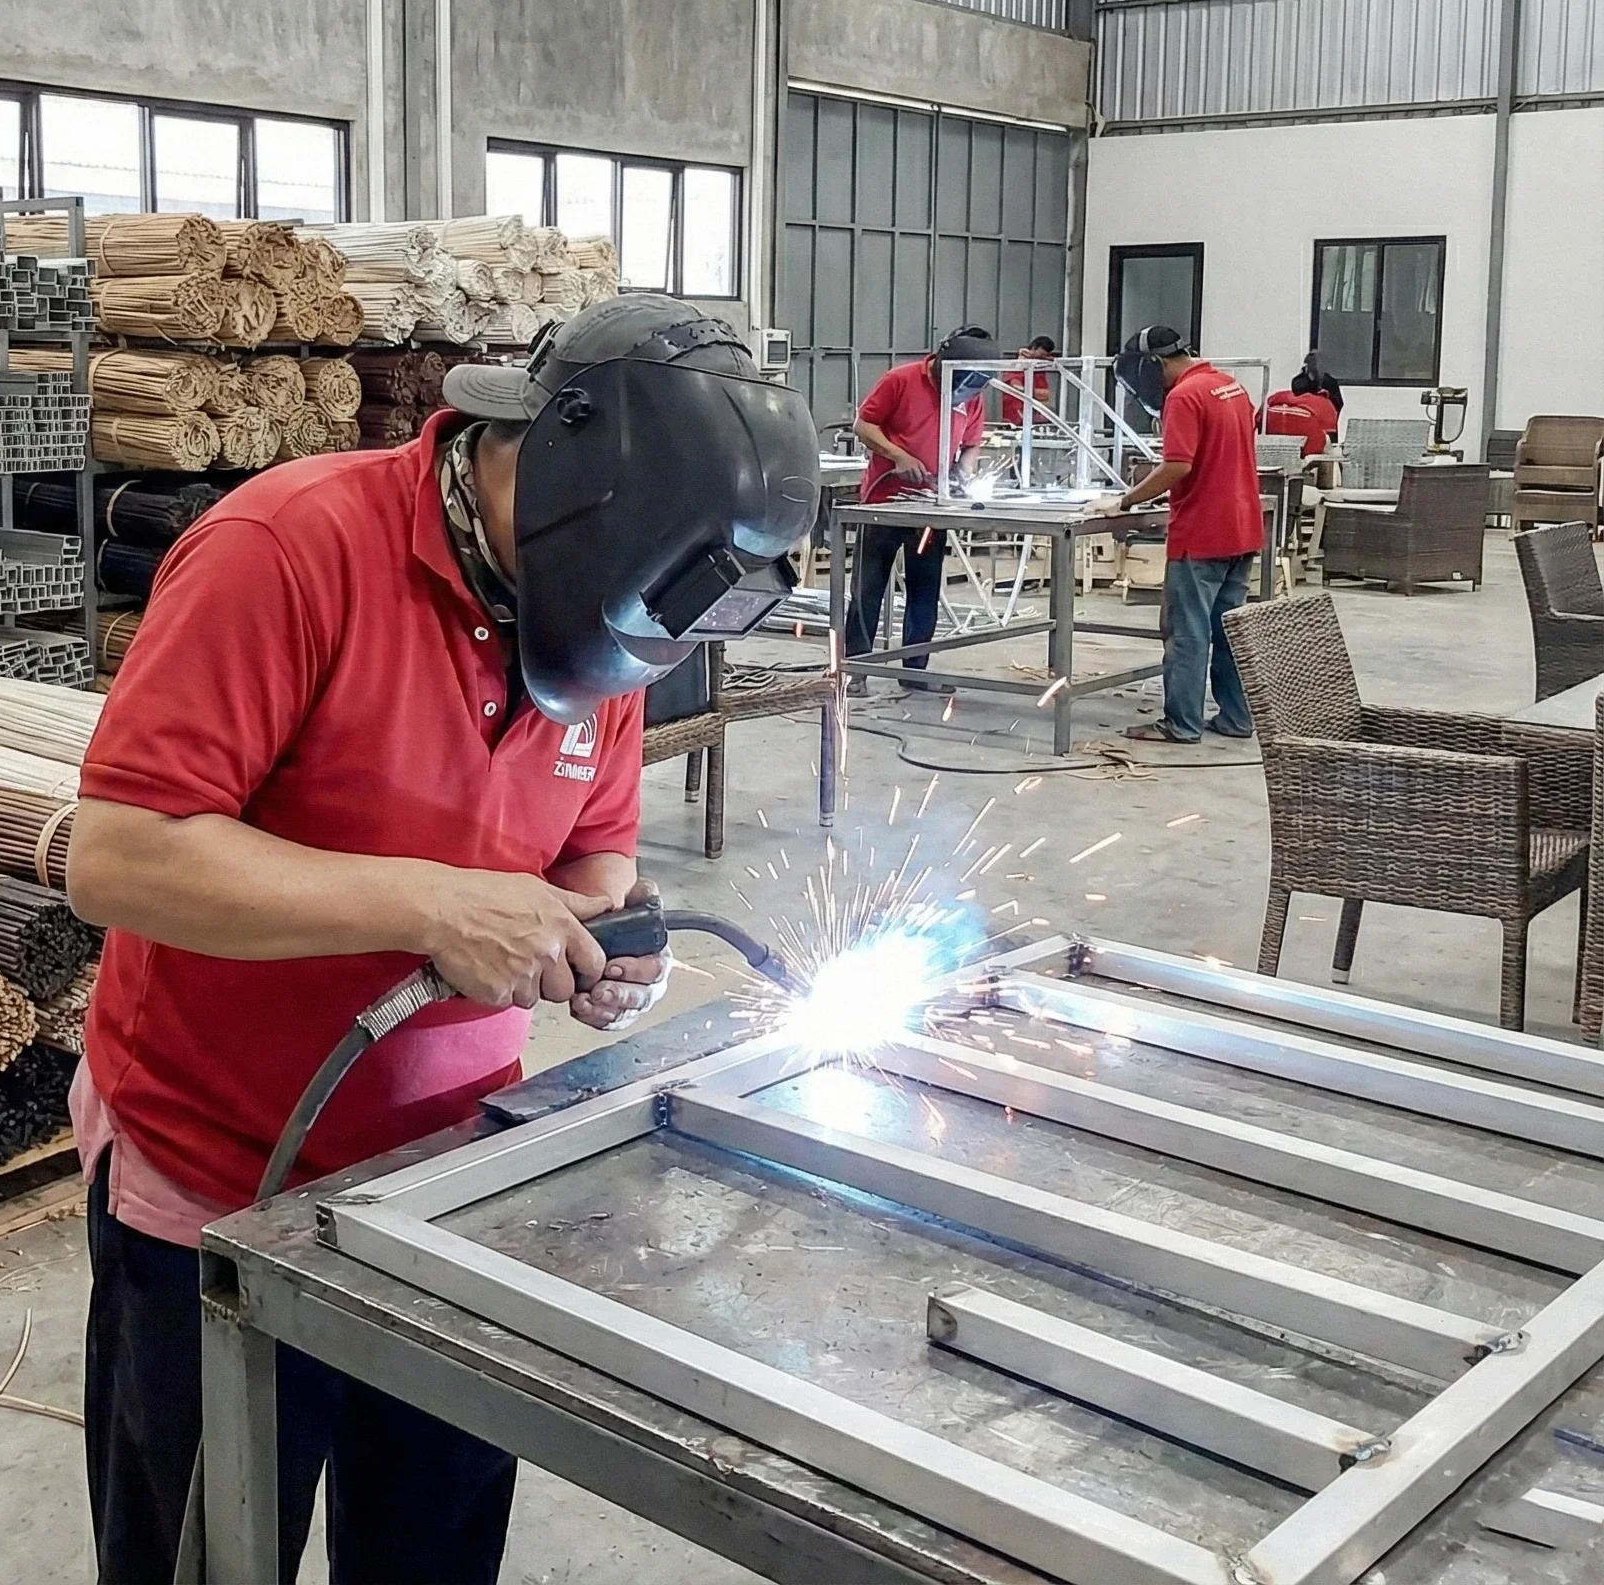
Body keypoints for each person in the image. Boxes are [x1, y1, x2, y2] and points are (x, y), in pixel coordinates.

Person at [66, 297, 816, 1585]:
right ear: (567, 477)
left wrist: (601, 934)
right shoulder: (286, 548)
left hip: (452, 1185)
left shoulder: (612, 611)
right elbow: (121, 857)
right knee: (201, 1551)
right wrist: (430, 904)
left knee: (432, 1547)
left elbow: (596, 841)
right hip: (211, 1173)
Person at [1114, 325, 1263, 745]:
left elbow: (1177, 465)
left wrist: (1126, 501)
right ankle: (1235, 719)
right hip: (1241, 529)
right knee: (1228, 632)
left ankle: (1181, 725)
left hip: (1201, 534)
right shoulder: (1229, 386)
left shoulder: (1184, 395)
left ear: (1155, 364)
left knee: (1186, 635)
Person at [843, 327, 992, 692]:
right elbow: (863, 425)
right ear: (942, 365)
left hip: (930, 507)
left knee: (924, 589)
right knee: (868, 587)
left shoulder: (970, 394)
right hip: (885, 503)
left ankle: (915, 670)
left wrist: (964, 473)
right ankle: (854, 671)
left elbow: (971, 443)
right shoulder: (900, 380)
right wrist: (898, 455)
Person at [998, 335, 1058, 431]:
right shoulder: (1021, 365)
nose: (1043, 358)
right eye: (1041, 355)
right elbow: (1015, 385)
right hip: (1016, 412)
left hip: (1030, 412)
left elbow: (1044, 395)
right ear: (1034, 348)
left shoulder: (1039, 366)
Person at [1292, 349, 1345, 418]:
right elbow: (1297, 395)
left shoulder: (1330, 382)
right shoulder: (1298, 381)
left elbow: (1338, 404)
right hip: (1305, 419)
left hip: (1323, 420)